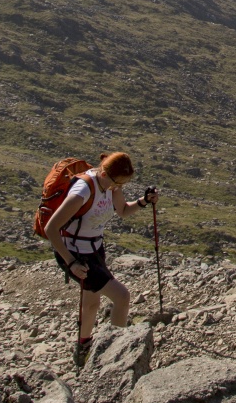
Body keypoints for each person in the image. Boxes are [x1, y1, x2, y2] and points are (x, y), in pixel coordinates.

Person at [44, 150, 156, 366]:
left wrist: (143, 201)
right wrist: (72, 263)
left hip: (95, 250)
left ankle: (83, 348)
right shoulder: (82, 191)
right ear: (104, 175)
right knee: (122, 297)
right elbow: (52, 229)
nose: (118, 189)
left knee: (91, 302)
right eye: (116, 184)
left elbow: (122, 210)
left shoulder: (110, 184)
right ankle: (115, 353)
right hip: (76, 254)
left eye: (121, 185)